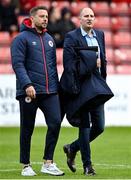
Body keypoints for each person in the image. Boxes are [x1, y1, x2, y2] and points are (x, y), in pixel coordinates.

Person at [11, 6, 64, 176]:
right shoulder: (21, 39)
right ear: (32, 19)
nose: (45, 19)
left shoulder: (49, 39)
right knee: (27, 128)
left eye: (47, 16)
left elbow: (52, 67)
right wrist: (27, 85)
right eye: (42, 16)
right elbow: (18, 64)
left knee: (55, 122)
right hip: (29, 91)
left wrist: (57, 87)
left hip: (50, 91)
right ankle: (26, 165)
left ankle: (48, 163)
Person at [60, 7, 112, 176]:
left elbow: (102, 60)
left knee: (99, 126)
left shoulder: (100, 35)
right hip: (81, 86)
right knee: (84, 125)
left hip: (96, 85)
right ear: (79, 19)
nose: (89, 18)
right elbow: (69, 65)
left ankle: (72, 148)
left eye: (92, 16)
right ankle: (87, 166)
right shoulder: (71, 37)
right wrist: (90, 65)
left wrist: (103, 79)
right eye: (86, 16)